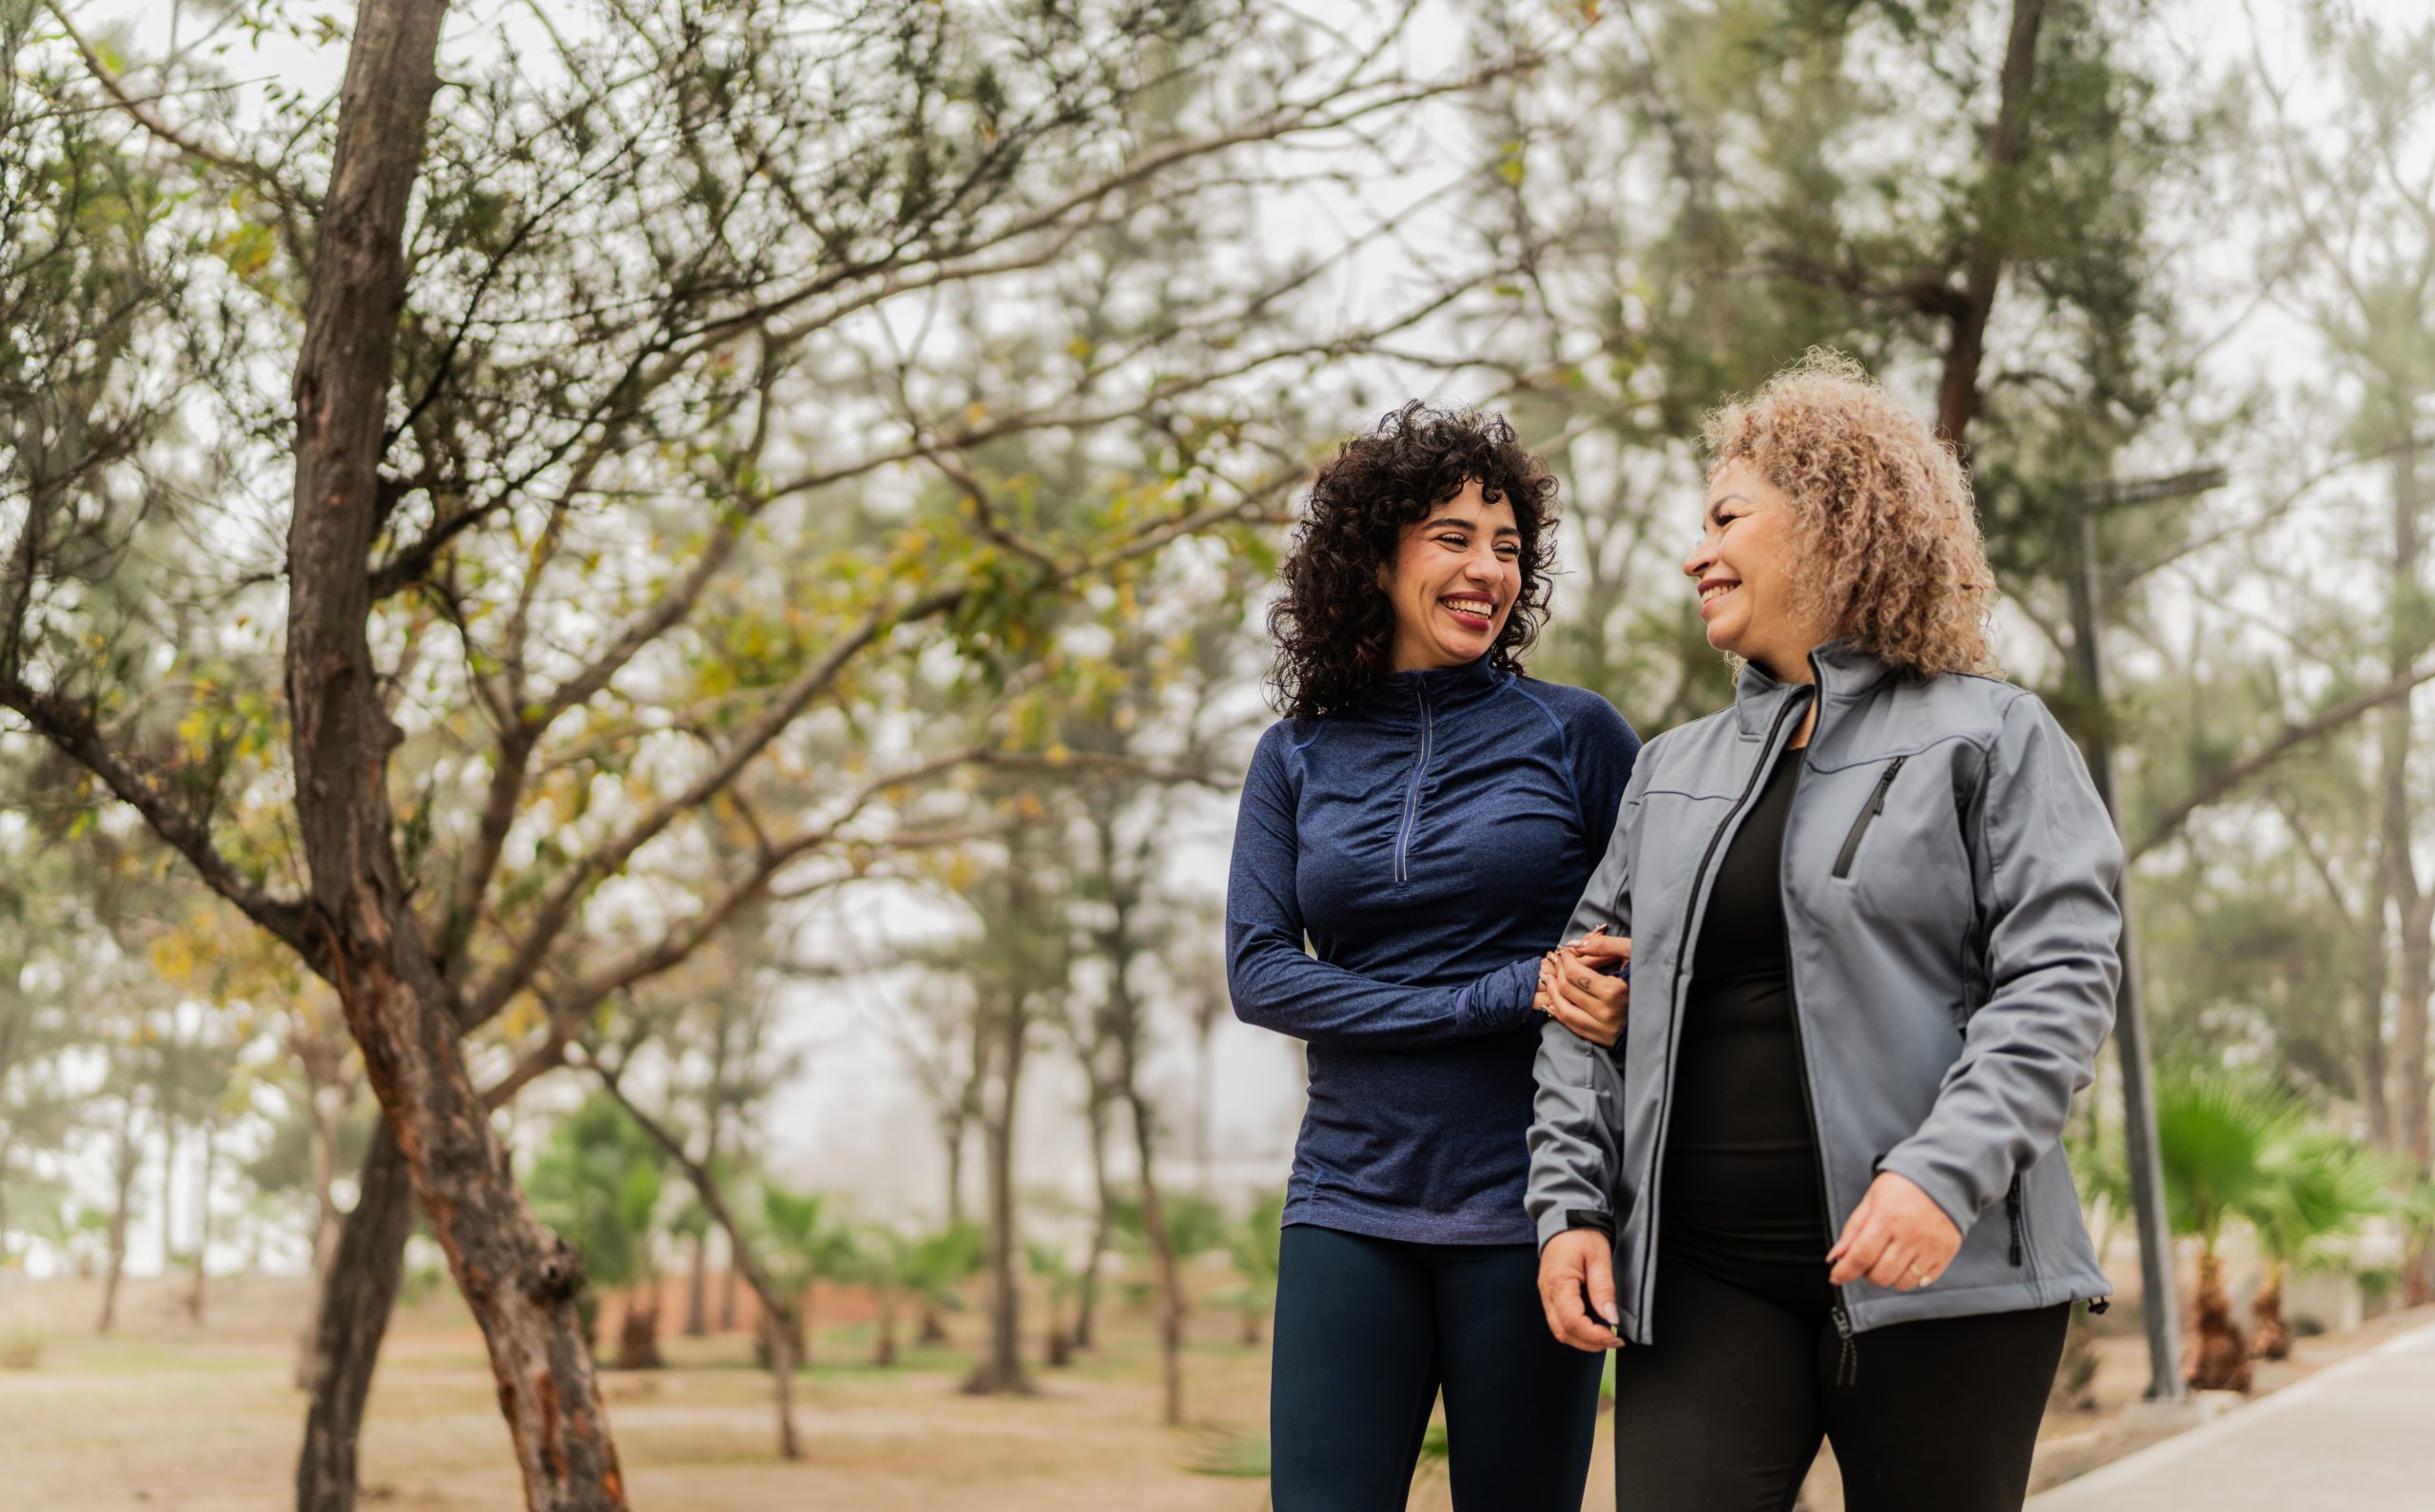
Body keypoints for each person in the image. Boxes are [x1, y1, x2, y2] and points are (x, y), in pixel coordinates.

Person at [1527, 352, 2120, 1512]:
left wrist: (1937, 1179)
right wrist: (1571, 1209)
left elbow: (2057, 980)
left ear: (1834, 523)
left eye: (1726, 517)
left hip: (1940, 1274)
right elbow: (1576, 1003)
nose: (1695, 552)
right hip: (1702, 1281)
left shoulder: (1991, 737)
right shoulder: (1670, 772)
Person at [1226, 401, 1641, 1511]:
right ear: (1374, 556)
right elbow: (1259, 973)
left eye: (1507, 547)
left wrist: (1595, 1005)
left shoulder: (1577, 735)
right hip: (1347, 1198)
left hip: (1531, 1210)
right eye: (1452, 536)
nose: (1486, 570)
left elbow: (1640, 952)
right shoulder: (1296, 756)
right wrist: (1507, 992)